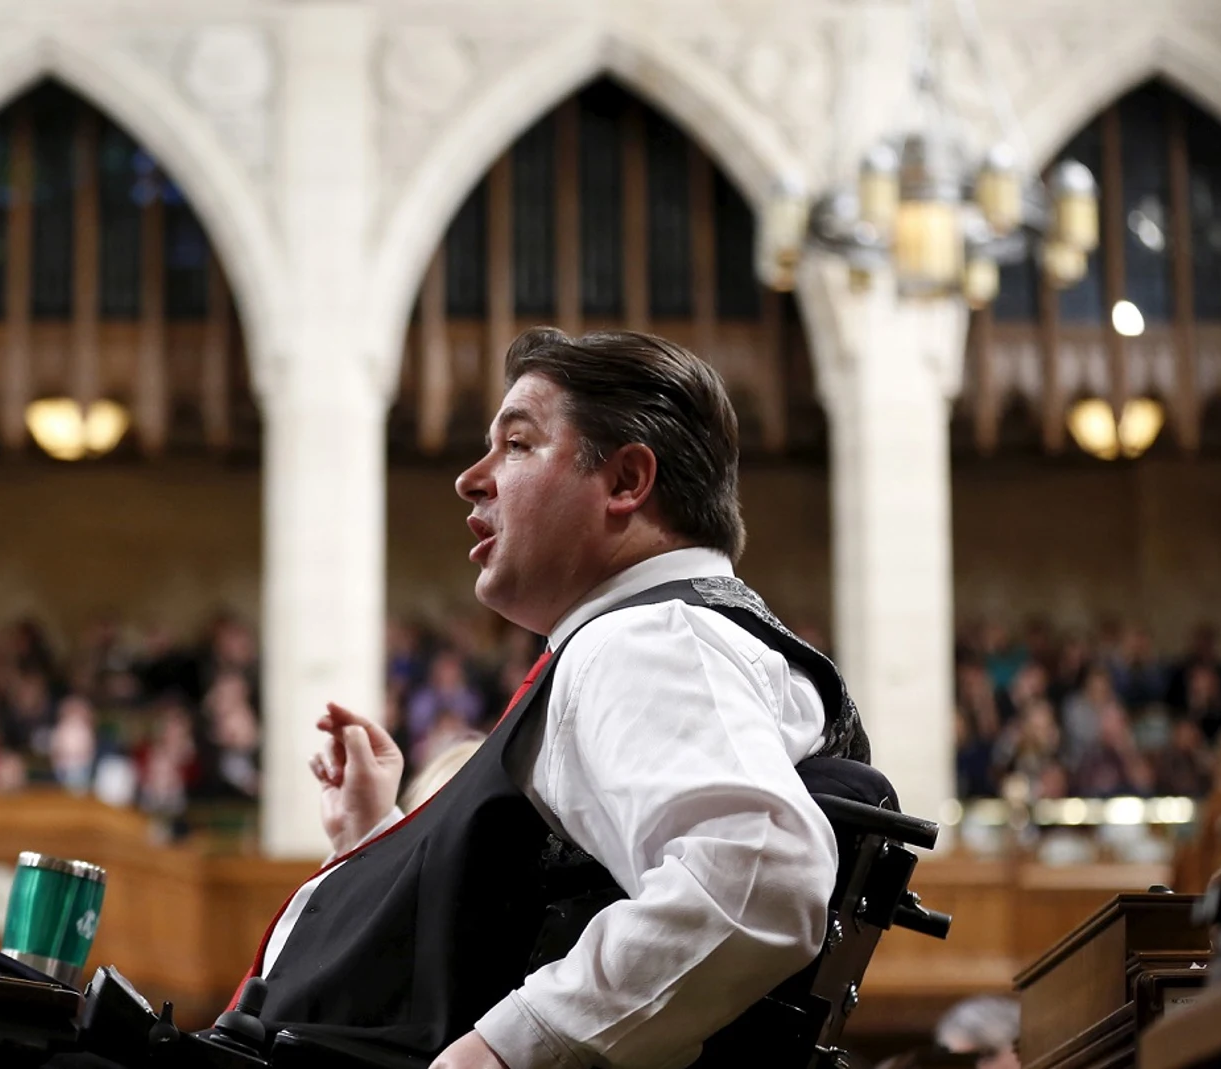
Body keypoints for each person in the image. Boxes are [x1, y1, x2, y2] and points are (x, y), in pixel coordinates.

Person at [258, 329, 866, 1069]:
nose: (471, 479)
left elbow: (758, 873)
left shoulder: (647, 637)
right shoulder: (664, 635)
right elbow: (520, 918)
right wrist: (374, 840)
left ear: (624, 482)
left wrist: (498, 1054)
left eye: (516, 444)